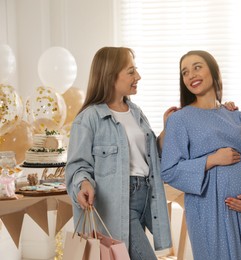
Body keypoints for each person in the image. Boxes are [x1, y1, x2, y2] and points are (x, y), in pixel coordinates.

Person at [65, 46, 177, 260]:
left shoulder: (135, 112)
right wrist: (84, 184)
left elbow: (150, 154)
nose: (138, 77)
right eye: (131, 71)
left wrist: (167, 130)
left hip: (146, 197)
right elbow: (78, 166)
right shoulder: (89, 119)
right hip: (117, 202)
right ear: (110, 75)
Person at [160, 50, 241, 260]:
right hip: (207, 209)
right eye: (185, 72)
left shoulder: (235, 116)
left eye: (197, 67)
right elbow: (169, 170)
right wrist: (212, 160)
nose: (191, 75)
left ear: (213, 70)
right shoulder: (180, 119)